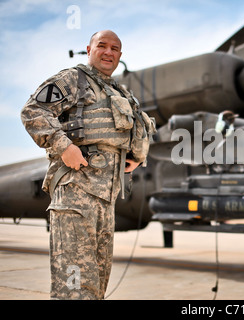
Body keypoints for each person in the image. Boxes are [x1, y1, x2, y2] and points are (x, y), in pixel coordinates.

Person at [21, 30, 155, 299]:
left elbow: (133, 130)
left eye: (115, 48)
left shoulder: (118, 91)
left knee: (97, 281)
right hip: (75, 194)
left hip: (105, 197)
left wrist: (135, 157)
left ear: (120, 55)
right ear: (89, 49)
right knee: (75, 284)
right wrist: (65, 147)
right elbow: (33, 111)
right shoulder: (73, 79)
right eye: (102, 46)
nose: (108, 52)